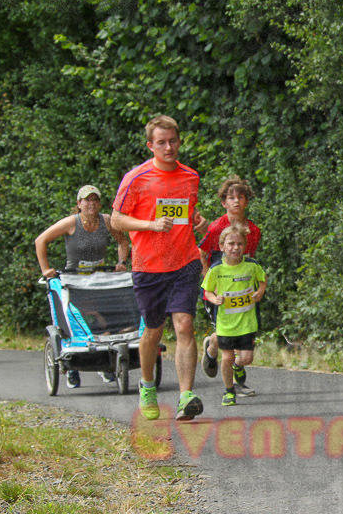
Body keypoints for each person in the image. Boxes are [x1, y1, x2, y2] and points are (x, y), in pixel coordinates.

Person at [111, 115, 208, 421]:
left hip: (184, 262)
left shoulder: (190, 177)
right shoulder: (136, 179)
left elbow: (184, 211)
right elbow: (116, 220)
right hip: (149, 266)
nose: (169, 147)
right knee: (153, 331)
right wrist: (149, 224)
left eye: (173, 141)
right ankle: (148, 386)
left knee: (184, 325)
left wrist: (197, 220)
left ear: (179, 141)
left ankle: (185, 396)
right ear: (151, 145)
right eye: (162, 142)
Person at [34, 184, 130, 387]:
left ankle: (106, 365)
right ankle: (72, 368)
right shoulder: (71, 223)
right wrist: (45, 269)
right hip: (75, 281)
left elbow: (122, 241)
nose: (91, 204)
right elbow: (40, 240)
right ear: (79, 204)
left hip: (99, 281)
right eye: (87, 200)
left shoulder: (106, 221)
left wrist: (121, 262)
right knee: (76, 321)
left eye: (95, 200)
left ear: (100, 203)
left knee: (105, 322)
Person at [198, 176, 262, 394]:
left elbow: (250, 260)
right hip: (219, 289)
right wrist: (210, 282)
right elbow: (201, 253)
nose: (236, 201)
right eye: (231, 198)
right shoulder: (217, 227)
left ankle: (214, 347)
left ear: (246, 201)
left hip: (243, 290)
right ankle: (235, 380)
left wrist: (254, 287)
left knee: (242, 331)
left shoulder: (253, 230)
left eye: (240, 197)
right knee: (228, 332)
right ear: (223, 202)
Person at [201, 224, 267, 406]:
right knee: (227, 358)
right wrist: (214, 299)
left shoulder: (251, 266)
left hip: (247, 322)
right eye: (231, 244)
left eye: (239, 244)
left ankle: (239, 367)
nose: (235, 248)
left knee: (246, 358)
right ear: (222, 246)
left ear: (244, 246)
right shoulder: (216, 269)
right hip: (226, 323)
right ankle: (229, 392)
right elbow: (207, 291)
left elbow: (262, 279)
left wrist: (260, 292)